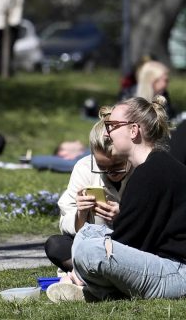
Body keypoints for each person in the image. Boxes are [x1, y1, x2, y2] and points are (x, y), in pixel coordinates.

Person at [46, 96, 186, 302]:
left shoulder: (150, 173)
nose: (108, 132)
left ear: (133, 130)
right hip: (177, 265)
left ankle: (88, 288)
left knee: (90, 250)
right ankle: (93, 286)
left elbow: (127, 243)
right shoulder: (153, 166)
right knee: (87, 234)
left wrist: (82, 269)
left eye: (112, 125)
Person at [44, 116, 133, 272]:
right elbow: (67, 221)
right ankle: (101, 275)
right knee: (56, 245)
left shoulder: (141, 168)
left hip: (131, 246)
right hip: (94, 245)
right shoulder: (84, 167)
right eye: (102, 167)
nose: (111, 173)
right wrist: (81, 213)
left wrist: (123, 216)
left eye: (117, 165)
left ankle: (88, 276)